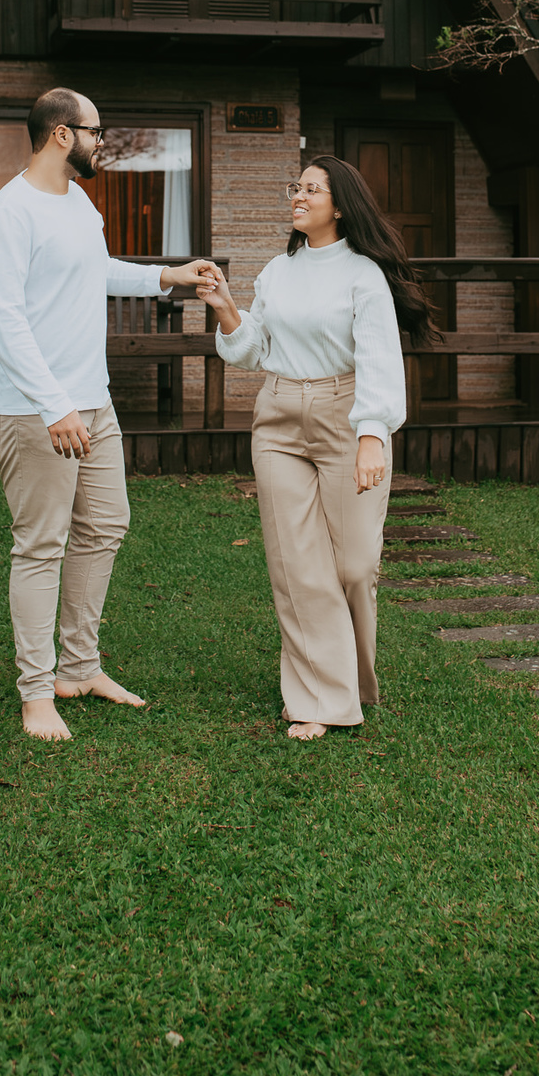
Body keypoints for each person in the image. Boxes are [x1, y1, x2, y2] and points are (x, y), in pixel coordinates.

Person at [0, 86, 213, 742]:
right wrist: (54, 407)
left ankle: (78, 667)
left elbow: (94, 271)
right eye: (95, 131)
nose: (101, 141)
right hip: (33, 408)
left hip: (92, 399)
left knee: (106, 524)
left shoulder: (77, 201)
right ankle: (35, 692)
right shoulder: (9, 212)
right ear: (61, 134)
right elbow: (5, 321)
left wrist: (168, 277)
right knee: (41, 544)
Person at [196, 155, 439, 740]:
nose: (298, 196)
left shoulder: (363, 274)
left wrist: (372, 436)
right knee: (297, 567)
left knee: (355, 565)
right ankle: (317, 698)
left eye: (312, 188)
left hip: (344, 413)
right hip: (278, 417)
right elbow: (254, 348)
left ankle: (351, 678)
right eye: (295, 187)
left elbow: (380, 356)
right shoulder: (279, 271)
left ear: (340, 203)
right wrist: (228, 306)